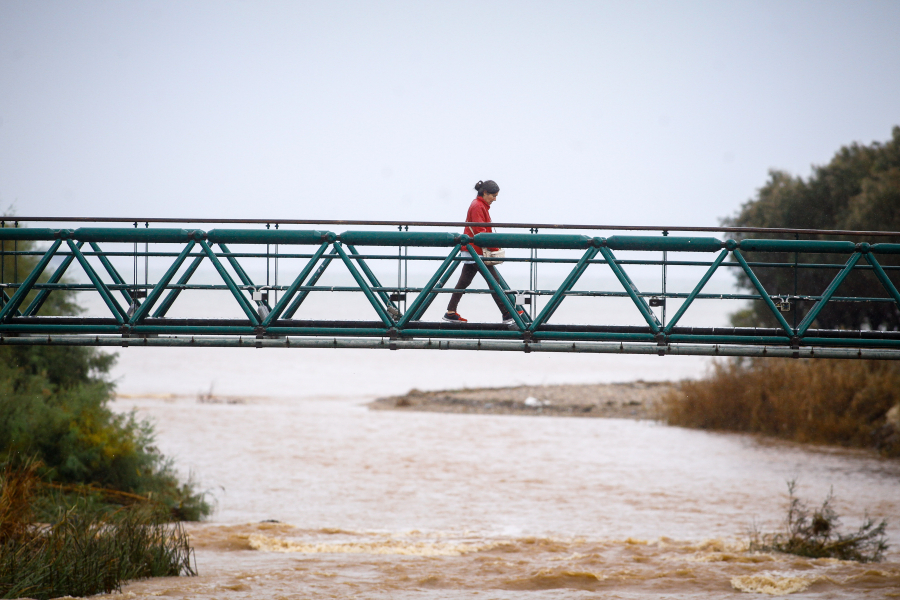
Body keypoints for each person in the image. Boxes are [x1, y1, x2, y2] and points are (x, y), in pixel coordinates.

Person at [443, 180, 521, 324]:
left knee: (464, 282)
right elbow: (480, 233)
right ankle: (507, 314)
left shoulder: (478, 205)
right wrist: (495, 248)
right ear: (485, 193)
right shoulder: (478, 206)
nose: (495, 199)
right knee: (494, 281)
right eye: (493, 196)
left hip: (471, 250)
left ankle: (450, 312)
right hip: (476, 251)